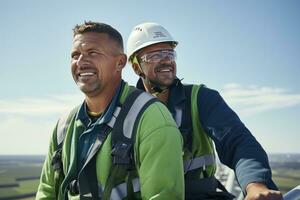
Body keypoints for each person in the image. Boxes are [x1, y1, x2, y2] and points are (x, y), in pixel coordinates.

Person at [127, 22, 283, 200]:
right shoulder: (127, 111)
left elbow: (237, 140)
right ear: (137, 67)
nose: (166, 60)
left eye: (170, 53)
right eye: (155, 55)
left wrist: (255, 185)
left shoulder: (200, 98)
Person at [36, 21, 185, 200]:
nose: (81, 62)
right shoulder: (64, 127)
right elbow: (46, 192)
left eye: (93, 53)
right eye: (75, 55)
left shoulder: (151, 118)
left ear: (120, 62)